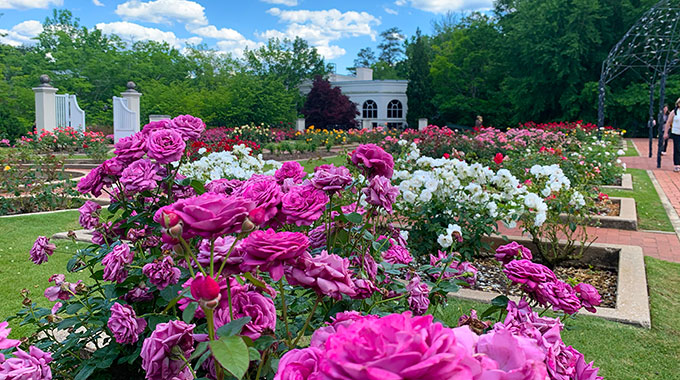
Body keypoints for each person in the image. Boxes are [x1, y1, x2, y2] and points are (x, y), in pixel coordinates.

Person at [663, 98, 680, 172]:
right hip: (676, 132)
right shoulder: (674, 112)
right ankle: (676, 164)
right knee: (677, 148)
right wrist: (666, 132)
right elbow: (668, 122)